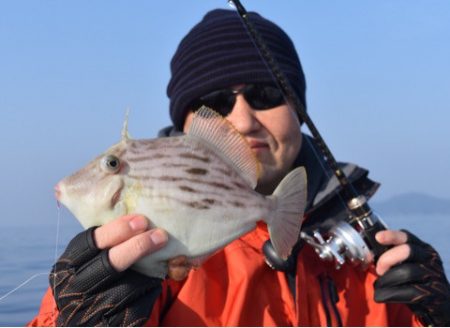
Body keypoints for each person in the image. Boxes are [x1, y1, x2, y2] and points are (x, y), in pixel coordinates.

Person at [28, 9, 449, 327]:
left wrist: (438, 318)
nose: (244, 119)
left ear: (299, 111)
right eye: (217, 104)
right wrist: (68, 319)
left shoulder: (372, 255)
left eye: (265, 93)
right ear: (186, 123)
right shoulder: (140, 255)